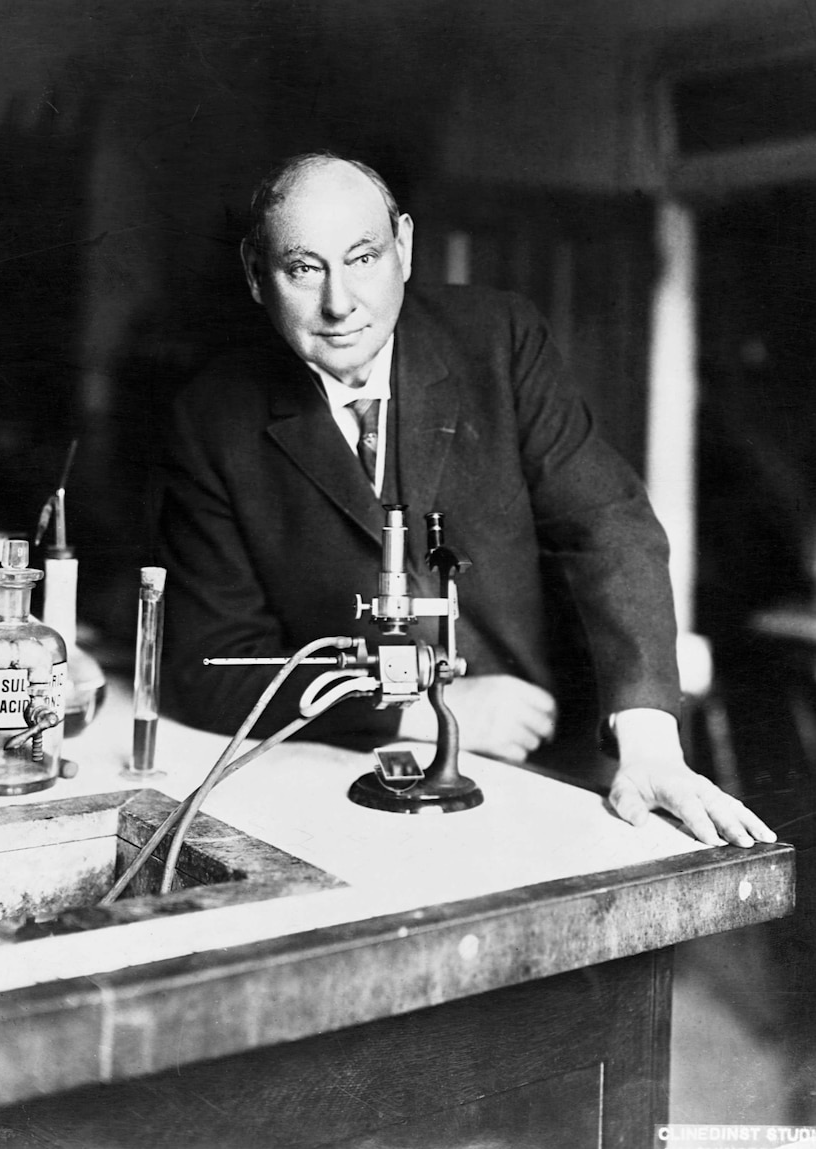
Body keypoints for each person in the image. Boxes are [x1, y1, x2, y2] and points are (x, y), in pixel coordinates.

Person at [158, 151, 775, 849]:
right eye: (303, 269)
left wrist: (650, 741)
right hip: (344, 783)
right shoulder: (212, 417)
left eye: (362, 258)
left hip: (555, 767)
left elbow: (607, 523)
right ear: (253, 275)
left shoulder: (498, 340)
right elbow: (207, 667)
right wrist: (421, 711)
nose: (339, 302)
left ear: (406, 248)